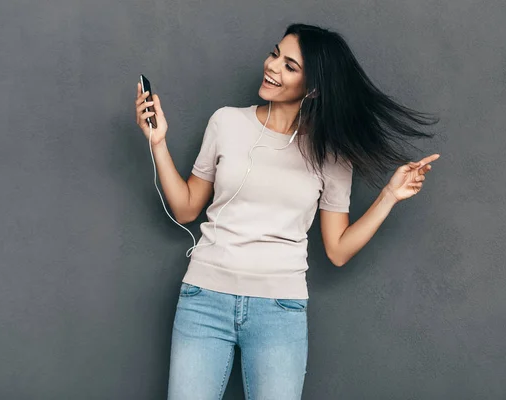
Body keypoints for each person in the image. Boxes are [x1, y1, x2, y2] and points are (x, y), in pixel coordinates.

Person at [135, 23, 440, 400]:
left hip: (278, 311)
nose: (272, 67)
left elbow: (338, 250)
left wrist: (389, 196)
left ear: (312, 88)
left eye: (289, 66)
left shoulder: (330, 154)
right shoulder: (226, 122)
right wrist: (159, 142)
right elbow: (185, 209)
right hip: (204, 299)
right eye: (275, 54)